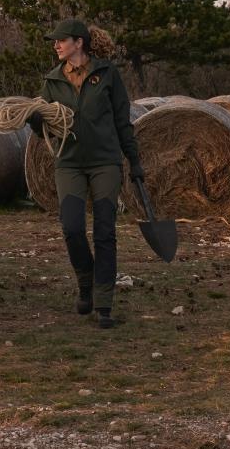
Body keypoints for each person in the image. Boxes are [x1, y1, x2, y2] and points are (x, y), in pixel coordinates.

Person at [27, 18, 143, 330]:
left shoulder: (108, 74)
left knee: (106, 232)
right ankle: (86, 282)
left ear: (79, 42)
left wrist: (134, 161)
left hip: (105, 162)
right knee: (72, 227)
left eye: (61, 40)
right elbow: (43, 131)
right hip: (69, 163)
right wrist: (36, 120)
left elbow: (122, 121)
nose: (56, 45)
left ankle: (104, 303)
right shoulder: (51, 82)